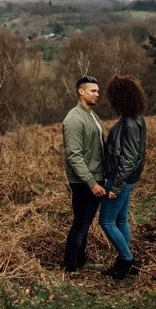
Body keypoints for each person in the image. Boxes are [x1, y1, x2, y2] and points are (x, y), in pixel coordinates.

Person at [99, 74, 147, 280]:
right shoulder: (134, 118)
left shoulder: (129, 123)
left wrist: (116, 186)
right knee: (120, 220)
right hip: (126, 179)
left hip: (120, 179)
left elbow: (129, 158)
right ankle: (123, 261)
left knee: (106, 221)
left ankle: (127, 260)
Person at [61, 75, 106, 273]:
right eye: (92, 91)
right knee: (81, 223)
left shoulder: (92, 115)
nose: (97, 94)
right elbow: (74, 156)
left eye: (98, 91)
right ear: (81, 91)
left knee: (84, 223)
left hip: (95, 177)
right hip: (83, 181)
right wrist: (91, 182)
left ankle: (80, 262)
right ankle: (70, 266)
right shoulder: (73, 119)